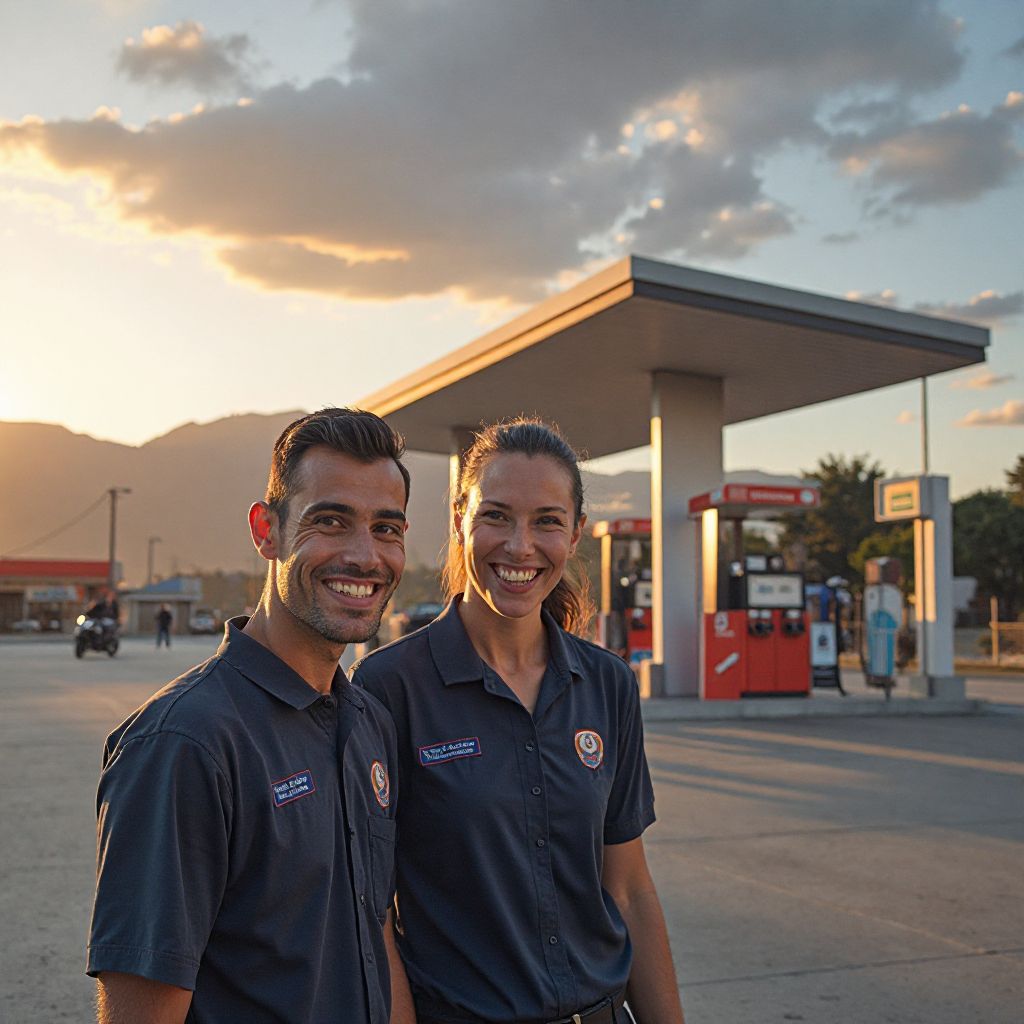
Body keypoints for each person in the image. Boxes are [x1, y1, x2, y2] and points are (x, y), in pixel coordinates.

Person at [353, 418, 686, 1024]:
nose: (520, 546)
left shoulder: (607, 684)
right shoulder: (388, 689)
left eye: (547, 521)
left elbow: (630, 888)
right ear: (461, 520)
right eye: (497, 515)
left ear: (576, 532)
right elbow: (372, 913)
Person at [86, 408, 410, 1024]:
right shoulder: (183, 744)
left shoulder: (368, 721)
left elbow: (377, 932)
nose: (365, 556)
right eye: (331, 521)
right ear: (267, 531)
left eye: (386, 529)